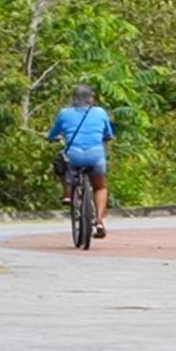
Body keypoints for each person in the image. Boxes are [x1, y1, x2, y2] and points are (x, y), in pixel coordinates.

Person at [46, 83, 114, 238]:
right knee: (100, 187)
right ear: (91, 98)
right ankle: (99, 221)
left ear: (73, 99)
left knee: (61, 162)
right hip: (95, 157)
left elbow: (52, 134)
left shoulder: (64, 113)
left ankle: (68, 194)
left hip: (73, 156)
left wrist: (53, 137)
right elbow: (108, 134)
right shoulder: (100, 112)